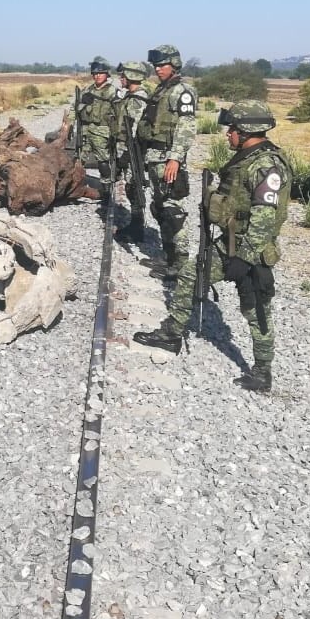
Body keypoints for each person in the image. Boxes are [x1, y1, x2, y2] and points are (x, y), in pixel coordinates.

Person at [135, 100, 291, 396]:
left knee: (255, 308)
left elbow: (265, 218)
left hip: (252, 249)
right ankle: (172, 334)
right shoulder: (247, 157)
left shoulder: (265, 165)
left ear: (248, 130)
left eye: (233, 128)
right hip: (229, 241)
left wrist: (244, 260)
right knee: (190, 274)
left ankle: (261, 371)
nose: (228, 133)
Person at [132, 45, 197, 278]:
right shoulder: (161, 90)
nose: (158, 69)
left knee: (172, 211)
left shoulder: (183, 91)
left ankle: (180, 263)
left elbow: (187, 127)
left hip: (168, 159)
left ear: (175, 65)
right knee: (159, 208)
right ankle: (169, 257)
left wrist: (175, 159)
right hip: (154, 157)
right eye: (156, 66)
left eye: (163, 65)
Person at [112, 60, 150, 244]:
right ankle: (136, 224)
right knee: (130, 187)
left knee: (134, 188)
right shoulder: (130, 97)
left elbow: (133, 130)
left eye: (123, 75)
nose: (120, 78)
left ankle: (137, 226)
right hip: (127, 150)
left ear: (132, 76)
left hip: (133, 152)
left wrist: (126, 155)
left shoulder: (137, 100)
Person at [75, 56, 118, 195]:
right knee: (79, 159)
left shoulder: (112, 91)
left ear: (107, 74)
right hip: (86, 130)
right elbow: (75, 108)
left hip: (103, 131)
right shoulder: (87, 90)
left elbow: (119, 112)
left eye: (101, 73)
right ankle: (75, 184)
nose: (98, 76)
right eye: (95, 73)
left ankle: (106, 190)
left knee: (103, 162)